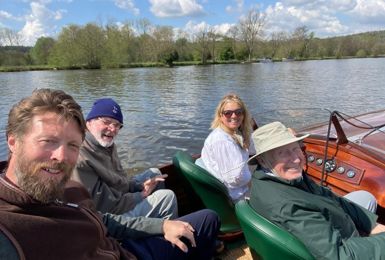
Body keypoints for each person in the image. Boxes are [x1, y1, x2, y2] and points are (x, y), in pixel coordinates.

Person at [0, 88, 220, 259]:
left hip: (117, 248)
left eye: (72, 145)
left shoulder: (65, 186)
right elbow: (107, 204)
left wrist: (161, 225)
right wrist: (140, 196)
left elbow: (103, 218)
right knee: (186, 208)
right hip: (120, 247)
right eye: (48, 141)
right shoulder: (9, 230)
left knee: (204, 218)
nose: (61, 156)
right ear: (13, 142)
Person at [249, 121, 385, 259]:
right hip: (341, 243)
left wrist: (371, 224)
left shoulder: (275, 178)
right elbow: (340, 255)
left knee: (365, 197)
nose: (296, 159)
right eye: (282, 153)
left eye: (296, 148)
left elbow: (327, 195)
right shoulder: (288, 205)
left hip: (329, 222)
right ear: (262, 160)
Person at [72, 98, 178, 219]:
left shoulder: (107, 145)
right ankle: (162, 230)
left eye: (117, 125)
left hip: (117, 198)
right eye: (106, 122)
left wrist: (139, 186)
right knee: (167, 198)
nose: (112, 129)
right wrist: (141, 195)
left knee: (155, 174)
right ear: (89, 122)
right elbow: (104, 205)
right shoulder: (79, 157)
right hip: (106, 218)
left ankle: (157, 226)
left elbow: (119, 180)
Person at [199, 93, 255, 202]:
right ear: (220, 116)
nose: (234, 116)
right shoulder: (222, 141)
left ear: (244, 114)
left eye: (238, 112)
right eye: (228, 113)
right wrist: (256, 183)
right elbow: (234, 178)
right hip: (238, 196)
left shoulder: (233, 133)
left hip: (238, 189)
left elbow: (253, 148)